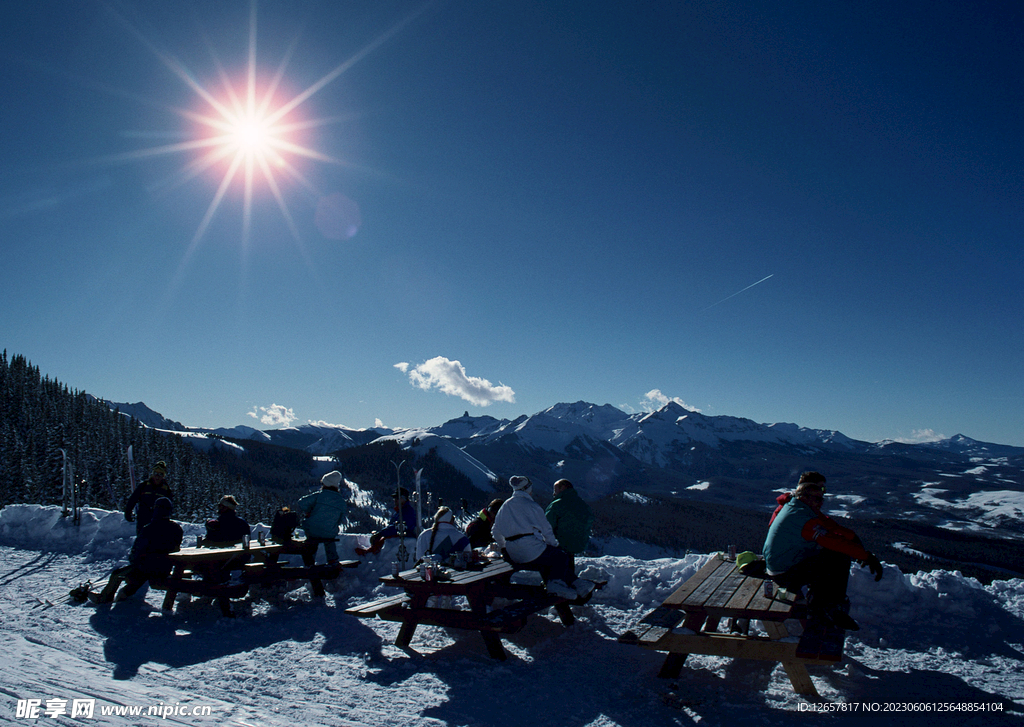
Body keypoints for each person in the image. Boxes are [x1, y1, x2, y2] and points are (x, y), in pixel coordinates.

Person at [763, 471, 884, 631]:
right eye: (818, 498)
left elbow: (829, 526)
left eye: (822, 497)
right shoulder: (804, 518)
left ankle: (826, 605)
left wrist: (852, 538)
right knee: (836, 556)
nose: (821, 502)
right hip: (784, 573)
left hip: (782, 565)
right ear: (804, 497)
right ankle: (825, 609)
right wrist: (866, 556)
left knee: (829, 555)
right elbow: (831, 540)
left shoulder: (797, 507)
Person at [492, 476, 595, 600]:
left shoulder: (505, 506)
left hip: (513, 552)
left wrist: (504, 547)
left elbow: (495, 530)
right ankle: (557, 585)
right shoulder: (531, 505)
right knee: (559, 556)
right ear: (527, 489)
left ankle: (576, 583)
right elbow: (546, 529)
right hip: (529, 551)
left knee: (549, 558)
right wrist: (552, 544)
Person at [95, 497, 183, 604]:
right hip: (165, 568)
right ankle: (125, 593)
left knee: (117, 574)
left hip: (146, 568)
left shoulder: (149, 529)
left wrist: (134, 561)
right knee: (141, 573)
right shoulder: (177, 529)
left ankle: (105, 597)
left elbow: (137, 550)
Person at [297, 471, 349, 564]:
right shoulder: (341, 501)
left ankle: (309, 562)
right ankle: (333, 561)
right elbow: (341, 519)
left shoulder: (319, 496)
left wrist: (310, 511)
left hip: (312, 529)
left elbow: (301, 503)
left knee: (312, 540)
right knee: (329, 541)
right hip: (329, 532)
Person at [356, 487, 418, 556]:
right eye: (395, 498)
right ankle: (371, 551)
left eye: (397, 498)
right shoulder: (399, 511)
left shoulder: (407, 512)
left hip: (406, 537)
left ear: (403, 499)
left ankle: (371, 553)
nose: (395, 500)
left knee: (385, 539)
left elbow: (398, 527)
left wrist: (381, 533)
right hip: (401, 535)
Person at [545, 479, 594, 563]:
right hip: (580, 544)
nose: (553, 493)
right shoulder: (582, 504)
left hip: (561, 544)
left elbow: (546, 525)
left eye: (555, 490)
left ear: (562, 488)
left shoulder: (557, 504)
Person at [124, 461, 173, 534]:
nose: (157, 476)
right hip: (143, 519)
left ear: (163, 476)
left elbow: (170, 506)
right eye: (155, 473)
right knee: (141, 542)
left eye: (160, 474)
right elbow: (133, 499)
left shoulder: (166, 490)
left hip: (158, 522)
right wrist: (128, 512)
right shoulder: (144, 486)